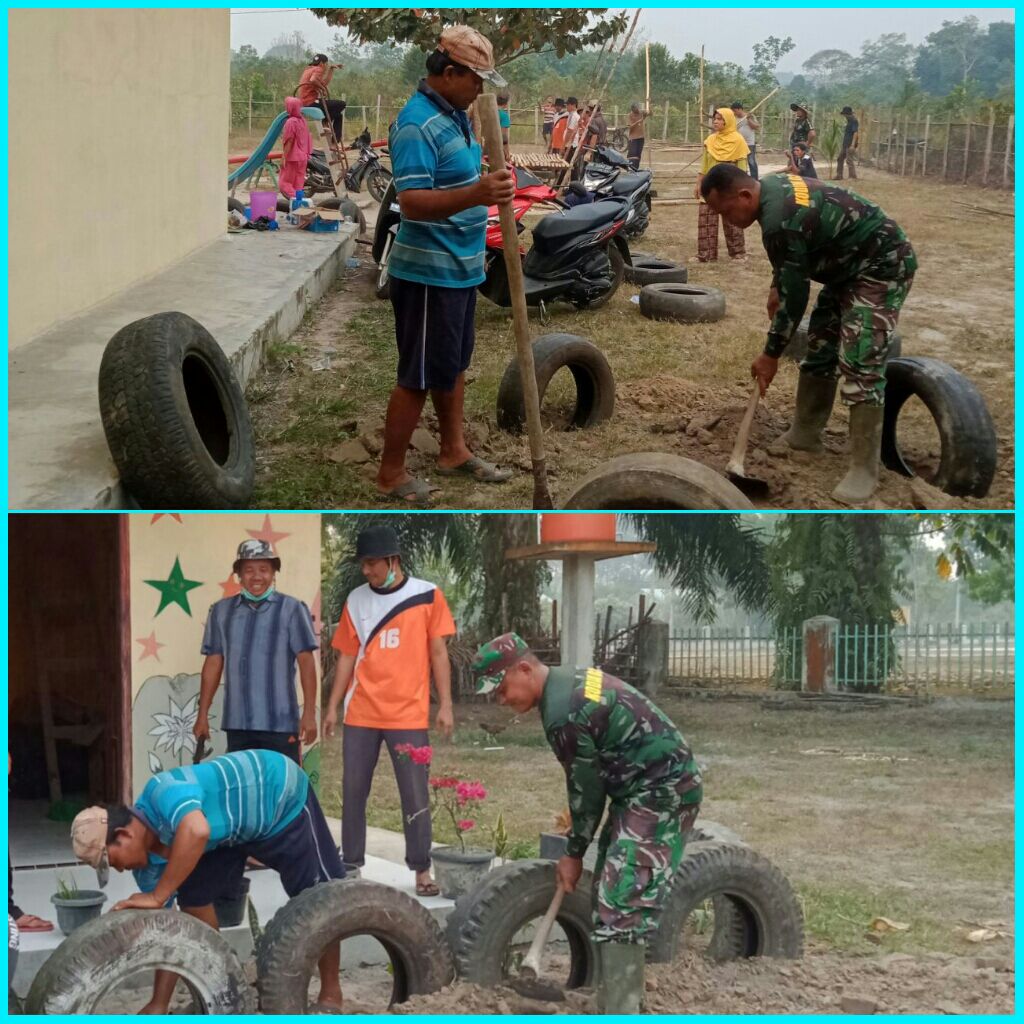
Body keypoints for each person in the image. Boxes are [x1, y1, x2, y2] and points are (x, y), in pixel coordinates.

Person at [471, 634, 703, 1014]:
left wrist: (574, 853)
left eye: (501, 689)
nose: (501, 701)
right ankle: (619, 999)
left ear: (525, 669)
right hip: (637, 790)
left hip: (663, 792)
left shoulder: (563, 711)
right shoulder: (567, 682)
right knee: (608, 893)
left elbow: (586, 793)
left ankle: (622, 1010)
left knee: (623, 897)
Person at [700, 163, 918, 503]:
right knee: (821, 343)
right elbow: (795, 253)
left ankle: (865, 468)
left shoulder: (778, 220)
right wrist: (778, 284)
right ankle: (805, 432)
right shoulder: (770, 188)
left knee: (861, 357)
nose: (726, 219)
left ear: (744, 195)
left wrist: (771, 354)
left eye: (725, 211)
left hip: (881, 265)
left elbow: (795, 297)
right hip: (845, 268)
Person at [70, 750, 345, 1013]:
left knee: (316, 895)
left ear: (124, 835)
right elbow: (171, 929)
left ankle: (331, 994)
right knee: (194, 899)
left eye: (112, 861)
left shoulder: (162, 791)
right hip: (229, 831)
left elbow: (197, 829)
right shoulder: (146, 869)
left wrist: (157, 896)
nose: (118, 870)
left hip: (275, 793)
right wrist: (159, 1003)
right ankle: (222, 988)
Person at [378, 25, 516, 505]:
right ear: (450, 72)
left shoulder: (455, 115)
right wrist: (478, 192)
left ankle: (453, 451)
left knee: (452, 365)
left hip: (459, 268)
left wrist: (488, 181)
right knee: (416, 375)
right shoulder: (416, 124)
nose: (480, 88)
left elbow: (455, 178)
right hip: (426, 274)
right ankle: (391, 472)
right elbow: (413, 202)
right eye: (475, 79)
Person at [324, 525, 456, 896]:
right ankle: (351, 866)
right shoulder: (356, 600)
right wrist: (333, 706)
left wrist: (444, 704)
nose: (366, 571)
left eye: (372, 564)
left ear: (393, 560)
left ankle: (421, 870)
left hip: (408, 715)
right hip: (361, 713)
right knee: (353, 791)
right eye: (363, 565)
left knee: (415, 794)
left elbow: (438, 653)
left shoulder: (427, 595)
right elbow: (347, 657)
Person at [194, 539, 318, 765]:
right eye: (249, 570)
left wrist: (309, 713)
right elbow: (213, 664)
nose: (257, 576)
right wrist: (202, 714)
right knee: (243, 790)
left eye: (264, 569)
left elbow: (306, 662)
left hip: (281, 725)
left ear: (273, 573)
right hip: (238, 724)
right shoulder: (221, 612)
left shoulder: (292, 609)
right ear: (239, 574)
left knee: (283, 789)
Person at [694, 107, 749, 262]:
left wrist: (741, 189)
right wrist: (699, 183)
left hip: (730, 187)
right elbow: (704, 165)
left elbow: (742, 169)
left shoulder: (738, 141)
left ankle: (737, 253)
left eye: (719, 119)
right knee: (706, 220)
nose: (716, 121)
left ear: (728, 121)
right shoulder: (710, 140)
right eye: (715, 118)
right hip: (710, 186)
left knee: (732, 220)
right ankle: (706, 255)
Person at [297, 53, 346, 143]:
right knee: (342, 104)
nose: (326, 67)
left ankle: (335, 140)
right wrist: (323, 89)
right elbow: (313, 80)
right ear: (322, 64)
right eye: (327, 64)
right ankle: (325, 121)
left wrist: (331, 70)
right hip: (311, 102)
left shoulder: (309, 69)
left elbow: (324, 83)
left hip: (306, 101)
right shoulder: (319, 69)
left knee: (338, 115)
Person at [279, 96, 312, 201]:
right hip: (303, 158)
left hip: (293, 158)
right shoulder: (302, 121)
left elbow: (289, 140)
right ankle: (300, 204)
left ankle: (296, 200)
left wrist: (284, 156)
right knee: (298, 184)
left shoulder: (291, 122)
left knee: (285, 183)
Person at [730, 100, 760, 180]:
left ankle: (754, 179)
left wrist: (749, 119)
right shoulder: (733, 118)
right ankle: (741, 178)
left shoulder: (750, 116)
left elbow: (756, 126)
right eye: (733, 111)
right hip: (738, 144)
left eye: (735, 111)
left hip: (749, 144)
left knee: (751, 162)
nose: (734, 112)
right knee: (739, 162)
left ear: (740, 109)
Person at [788, 100, 815, 170]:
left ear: (804, 112)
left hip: (801, 147)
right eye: (797, 110)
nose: (797, 111)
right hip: (795, 145)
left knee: (800, 166)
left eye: (799, 110)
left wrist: (807, 144)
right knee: (792, 163)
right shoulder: (798, 120)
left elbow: (812, 134)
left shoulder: (806, 122)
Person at [837, 105, 859, 180]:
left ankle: (852, 176)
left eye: (845, 114)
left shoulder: (854, 121)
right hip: (845, 144)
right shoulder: (849, 121)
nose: (844, 116)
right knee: (840, 158)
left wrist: (853, 145)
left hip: (850, 144)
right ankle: (839, 175)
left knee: (849, 160)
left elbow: (855, 133)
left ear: (848, 114)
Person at [627, 101, 650, 169]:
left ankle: (636, 169)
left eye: (638, 108)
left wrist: (649, 105)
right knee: (633, 155)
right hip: (633, 138)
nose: (638, 109)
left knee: (638, 155)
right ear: (633, 109)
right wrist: (638, 122)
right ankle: (631, 169)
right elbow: (629, 127)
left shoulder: (641, 113)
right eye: (636, 108)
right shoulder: (630, 115)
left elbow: (650, 113)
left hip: (641, 138)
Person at [497, 93, 512, 163]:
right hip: (498, 149)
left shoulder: (488, 113)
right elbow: (504, 137)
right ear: (506, 103)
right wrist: (507, 153)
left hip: (485, 147)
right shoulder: (504, 115)